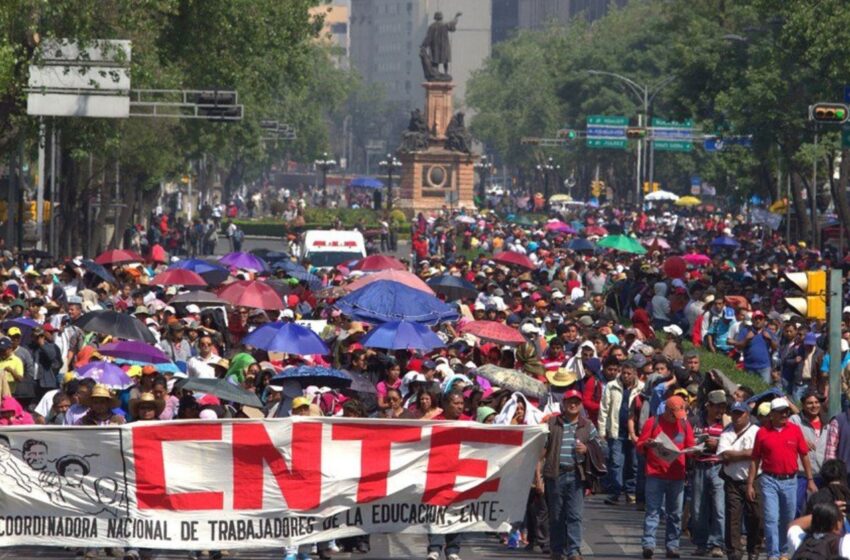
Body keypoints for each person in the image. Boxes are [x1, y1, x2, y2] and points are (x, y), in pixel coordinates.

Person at [747, 397, 817, 560]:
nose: (784, 414)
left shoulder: (795, 429)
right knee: (771, 517)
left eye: (786, 411)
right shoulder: (762, 432)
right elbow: (755, 459)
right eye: (780, 412)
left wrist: (810, 479)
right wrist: (750, 483)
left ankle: (784, 551)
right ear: (772, 414)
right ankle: (773, 553)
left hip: (790, 480)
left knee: (788, 517)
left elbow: (804, 455)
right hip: (769, 479)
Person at [537, 388, 603, 560]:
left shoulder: (587, 425)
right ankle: (557, 550)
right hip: (555, 475)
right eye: (569, 402)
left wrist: (587, 449)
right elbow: (541, 451)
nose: (573, 405)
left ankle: (574, 550)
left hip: (577, 475)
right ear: (563, 404)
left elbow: (602, 448)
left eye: (576, 402)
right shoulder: (553, 424)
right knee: (556, 515)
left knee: (575, 515)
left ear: (581, 405)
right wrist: (538, 477)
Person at [638, 395, 696, 559]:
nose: (676, 419)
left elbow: (690, 445)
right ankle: (648, 544)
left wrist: (694, 450)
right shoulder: (653, 422)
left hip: (677, 475)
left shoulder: (684, 424)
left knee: (675, 513)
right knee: (653, 511)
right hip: (655, 474)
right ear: (668, 411)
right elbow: (639, 446)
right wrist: (647, 444)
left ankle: (673, 546)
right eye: (674, 415)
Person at [717, 401, 762, 560]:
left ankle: (753, 549)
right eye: (734, 413)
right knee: (733, 517)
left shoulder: (757, 431)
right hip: (733, 481)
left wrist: (735, 454)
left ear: (747, 414)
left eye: (740, 413)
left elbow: (757, 454)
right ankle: (734, 552)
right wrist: (747, 453)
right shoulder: (726, 432)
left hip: (755, 479)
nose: (736, 417)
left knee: (756, 517)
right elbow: (724, 455)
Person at [599, 358, 644, 505]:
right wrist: (602, 430)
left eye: (629, 373)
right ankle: (615, 492)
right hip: (616, 431)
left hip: (634, 433)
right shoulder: (611, 386)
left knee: (633, 464)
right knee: (616, 462)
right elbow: (604, 409)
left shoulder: (641, 388)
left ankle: (631, 492)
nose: (625, 376)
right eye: (623, 373)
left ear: (635, 374)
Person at [690, 389, 728, 557]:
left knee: (719, 507)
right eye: (717, 407)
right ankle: (700, 543)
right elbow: (688, 442)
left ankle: (717, 543)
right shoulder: (696, 422)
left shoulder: (727, 424)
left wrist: (717, 445)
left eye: (722, 407)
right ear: (709, 406)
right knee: (698, 508)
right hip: (699, 466)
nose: (720, 411)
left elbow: (732, 444)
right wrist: (695, 448)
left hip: (718, 467)